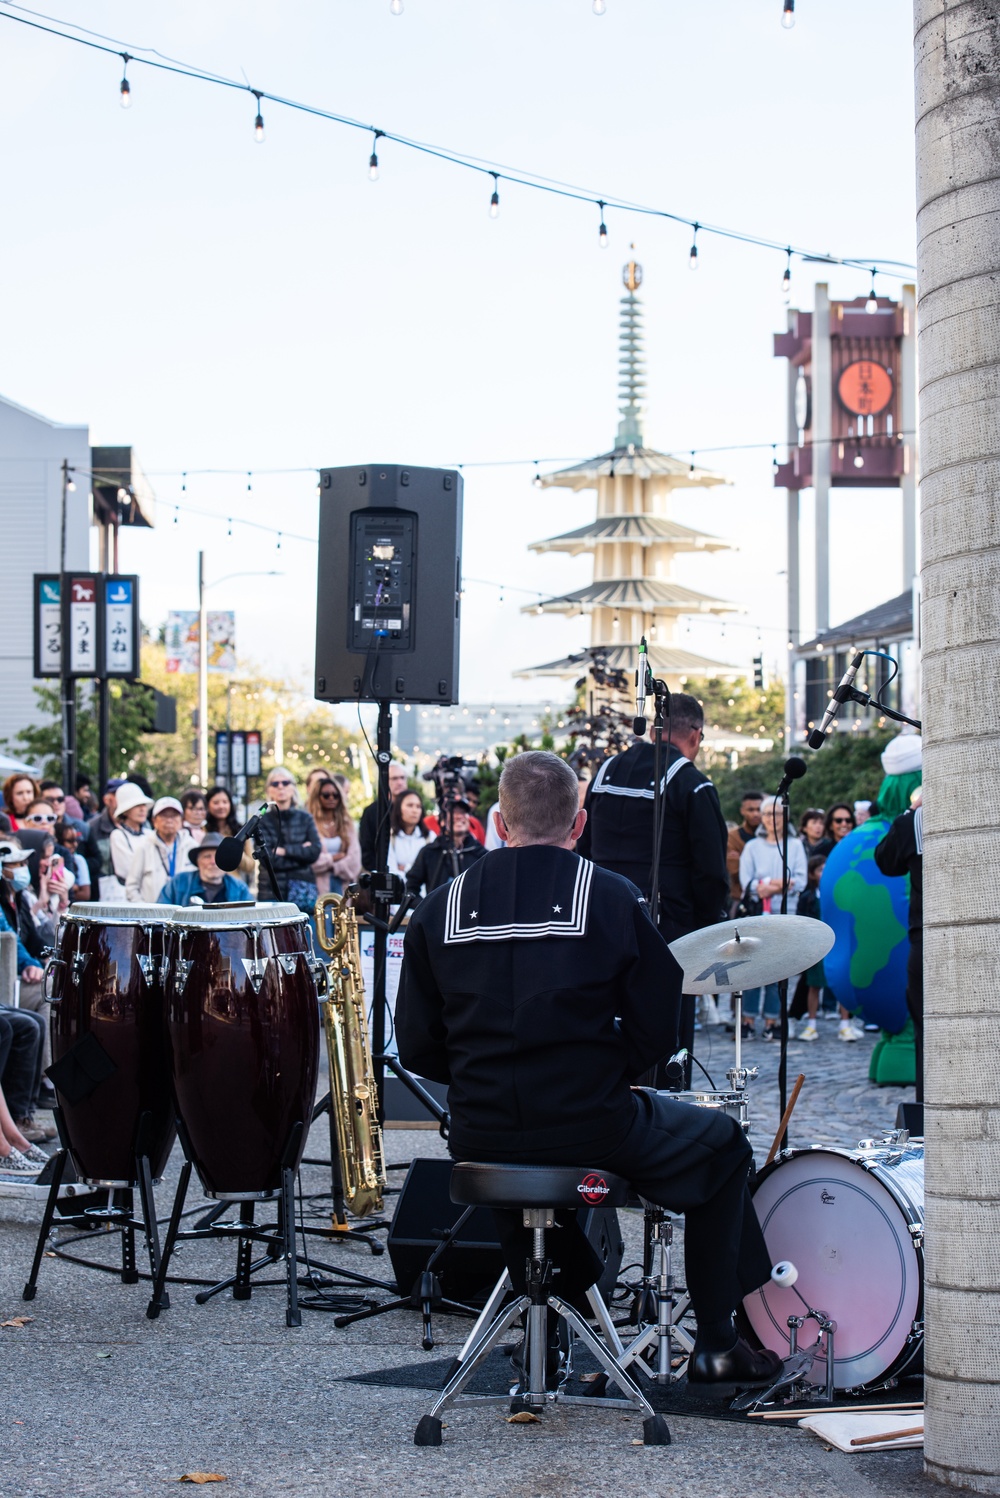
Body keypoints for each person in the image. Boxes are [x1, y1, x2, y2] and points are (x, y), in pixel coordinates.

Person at [396, 749, 781, 1390]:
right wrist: (614, 1069)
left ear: (500, 820)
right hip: (590, 1122)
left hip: (480, 1131)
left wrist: (477, 1080)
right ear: (579, 825)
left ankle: (554, 1336)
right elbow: (659, 1028)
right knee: (724, 1145)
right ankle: (718, 1341)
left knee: (519, 1162)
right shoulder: (610, 895)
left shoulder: (438, 907)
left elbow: (416, 1047)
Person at [577, 693, 729, 1064]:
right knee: (665, 1040)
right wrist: (710, 932)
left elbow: (585, 849)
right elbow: (710, 872)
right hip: (668, 935)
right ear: (694, 734)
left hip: (601, 925)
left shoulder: (605, 772)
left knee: (604, 1029)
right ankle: (665, 1112)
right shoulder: (692, 784)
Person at [738, 796, 807, 1040]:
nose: (772, 819)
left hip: (785, 913)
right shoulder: (753, 847)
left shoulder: (794, 845)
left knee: (778, 967)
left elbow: (800, 878)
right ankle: (747, 1019)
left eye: (777, 814)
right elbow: (748, 882)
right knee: (752, 967)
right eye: (768, 814)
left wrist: (770, 885)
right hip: (758, 914)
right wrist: (776, 884)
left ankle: (772, 1019)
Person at [874, 792, 924, 1101]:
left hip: (927, 939)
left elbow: (886, 860)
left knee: (926, 1032)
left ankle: (928, 1114)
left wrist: (912, 808)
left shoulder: (914, 821)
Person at [255, 767, 321, 909]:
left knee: (306, 930)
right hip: (270, 892)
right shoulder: (261, 821)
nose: (280, 787)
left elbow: (314, 852)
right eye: (275, 783)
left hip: (302, 890)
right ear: (269, 790)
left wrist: (284, 851)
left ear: (293, 788)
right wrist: (301, 855)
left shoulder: (305, 818)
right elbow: (268, 859)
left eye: (285, 782)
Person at [405, 798, 486, 901]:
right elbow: (410, 888)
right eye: (453, 812)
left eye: (463, 812)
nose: (458, 816)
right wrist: (427, 909)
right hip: (437, 915)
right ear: (442, 821)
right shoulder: (429, 852)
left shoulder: (480, 854)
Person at [125, 797, 195, 903]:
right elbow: (132, 887)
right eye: (164, 815)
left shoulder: (192, 846)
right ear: (154, 821)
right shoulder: (144, 847)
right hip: (151, 915)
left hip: (184, 914)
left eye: (174, 815)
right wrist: (145, 911)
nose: (169, 820)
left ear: (181, 820)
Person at [159, 833, 252, 906]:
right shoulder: (178, 883)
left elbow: (251, 919)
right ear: (198, 862)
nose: (213, 862)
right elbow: (161, 915)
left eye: (218, 857)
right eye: (207, 856)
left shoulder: (240, 889)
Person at [308, 777, 361, 896]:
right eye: (326, 795)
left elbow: (354, 861)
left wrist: (331, 866)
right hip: (317, 886)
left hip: (342, 884)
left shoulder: (347, 824)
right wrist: (334, 858)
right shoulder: (309, 823)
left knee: (341, 914)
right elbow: (310, 861)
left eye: (335, 795)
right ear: (318, 797)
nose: (331, 798)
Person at [359, 762, 409, 871]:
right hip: (381, 874)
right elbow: (366, 850)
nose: (400, 782)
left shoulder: (414, 808)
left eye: (402, 778)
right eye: (394, 778)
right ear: (384, 781)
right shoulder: (372, 811)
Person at [82, 777, 126, 891]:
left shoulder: (142, 826)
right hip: (103, 892)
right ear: (107, 800)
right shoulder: (92, 826)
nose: (125, 799)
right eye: (119, 795)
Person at [109, 783, 154, 886]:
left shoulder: (150, 834)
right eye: (137, 805)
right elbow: (126, 870)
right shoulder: (118, 835)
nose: (142, 809)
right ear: (125, 812)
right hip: (126, 896)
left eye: (144, 805)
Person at [387, 790, 435, 880]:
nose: (414, 810)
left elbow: (432, 871)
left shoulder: (430, 837)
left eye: (418, 806)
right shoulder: (390, 837)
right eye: (410, 805)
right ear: (398, 808)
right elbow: (391, 873)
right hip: (399, 891)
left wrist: (405, 868)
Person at [727, 790, 763, 907]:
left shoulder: (772, 837)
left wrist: (741, 858)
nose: (756, 814)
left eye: (759, 809)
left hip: (767, 898)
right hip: (740, 899)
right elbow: (734, 871)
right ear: (742, 811)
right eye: (751, 810)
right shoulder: (732, 837)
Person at [54, 821, 92, 902]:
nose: (75, 844)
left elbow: (85, 894)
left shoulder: (78, 860)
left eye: (76, 840)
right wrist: (73, 887)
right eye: (70, 841)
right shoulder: (52, 859)